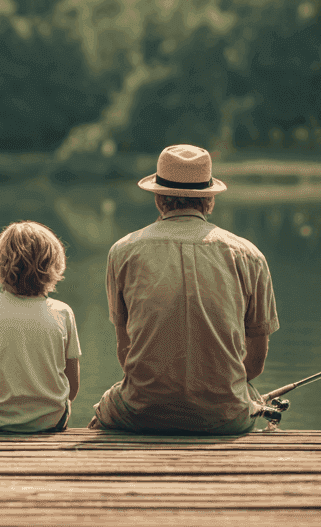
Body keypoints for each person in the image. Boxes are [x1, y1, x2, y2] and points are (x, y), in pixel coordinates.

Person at [88, 144, 280, 434]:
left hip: (142, 412)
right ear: (209, 200)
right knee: (252, 401)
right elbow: (255, 363)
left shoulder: (123, 251)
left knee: (99, 415)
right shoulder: (249, 255)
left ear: (158, 198)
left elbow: (125, 353)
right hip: (225, 418)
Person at [0, 221, 82, 433]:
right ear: (54, 265)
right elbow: (73, 387)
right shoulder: (64, 312)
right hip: (51, 421)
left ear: (0, 264)